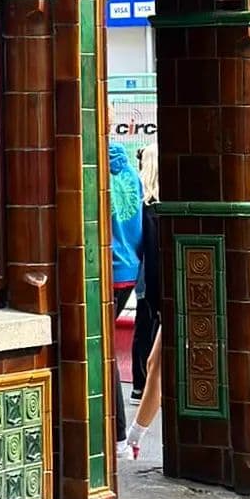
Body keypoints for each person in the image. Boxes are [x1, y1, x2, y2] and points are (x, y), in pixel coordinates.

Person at [109, 122, 144, 451]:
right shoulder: (130, 173)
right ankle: (118, 435)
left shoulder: (90, 170)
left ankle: (117, 433)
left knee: (100, 351)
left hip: (106, 270)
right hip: (129, 269)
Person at [124, 166, 161, 459]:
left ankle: (135, 437)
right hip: (169, 298)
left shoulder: (152, 210)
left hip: (163, 296)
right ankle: (135, 437)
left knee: (156, 364)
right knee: (155, 363)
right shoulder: (154, 208)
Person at [131, 144, 161, 398]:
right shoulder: (155, 209)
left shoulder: (142, 205)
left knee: (143, 326)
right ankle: (146, 382)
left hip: (142, 275)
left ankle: (140, 383)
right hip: (153, 279)